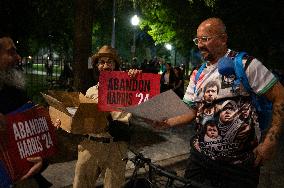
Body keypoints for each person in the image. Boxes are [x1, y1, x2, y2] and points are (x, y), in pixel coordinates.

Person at [159, 18, 284, 188]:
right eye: (198, 40)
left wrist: (271, 141)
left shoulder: (245, 63)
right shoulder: (198, 73)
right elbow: (190, 111)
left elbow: (280, 96)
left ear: (223, 39)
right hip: (200, 161)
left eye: (205, 39)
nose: (200, 45)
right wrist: (166, 122)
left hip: (239, 167)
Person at [56, 45, 140, 188]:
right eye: (101, 62)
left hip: (116, 147)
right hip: (90, 146)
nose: (105, 65)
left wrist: (137, 76)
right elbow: (82, 119)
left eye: (110, 62)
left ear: (115, 65)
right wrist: (64, 121)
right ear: (97, 66)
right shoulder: (90, 92)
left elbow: (146, 96)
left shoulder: (129, 86)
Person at [0, 37, 52, 188]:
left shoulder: (16, 94)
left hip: (22, 178)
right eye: (11, 52)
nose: (18, 57)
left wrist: (41, 160)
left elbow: (38, 142)